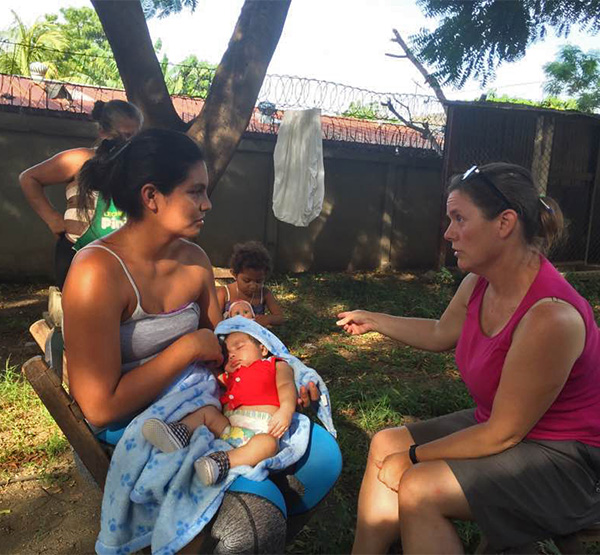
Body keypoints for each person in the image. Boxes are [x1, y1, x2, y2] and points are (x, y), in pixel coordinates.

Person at [62, 128, 341, 553]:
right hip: (146, 423)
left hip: (212, 402)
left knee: (323, 460)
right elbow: (99, 407)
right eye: (196, 191)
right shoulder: (97, 272)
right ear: (152, 196)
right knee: (253, 520)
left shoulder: (193, 260)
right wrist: (189, 347)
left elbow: (224, 346)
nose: (208, 204)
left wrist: (278, 381)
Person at [337, 162, 600, 554]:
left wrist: (412, 457)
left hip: (563, 458)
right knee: (383, 443)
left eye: (459, 218)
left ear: (505, 223)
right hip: (504, 426)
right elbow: (442, 332)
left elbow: (502, 434)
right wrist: (374, 319)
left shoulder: (550, 315)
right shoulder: (479, 282)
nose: (448, 233)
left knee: (419, 487)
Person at [142, 328, 297, 486]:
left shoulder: (273, 365)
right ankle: (178, 433)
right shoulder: (231, 376)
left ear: (262, 349)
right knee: (207, 412)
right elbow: (213, 374)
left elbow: (286, 385)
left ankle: (221, 462)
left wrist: (286, 409)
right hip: (229, 429)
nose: (232, 355)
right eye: (228, 353)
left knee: (268, 444)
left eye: (239, 347)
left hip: (261, 431)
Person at [19, 99, 143, 288]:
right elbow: (29, 178)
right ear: (103, 132)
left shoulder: (138, 167)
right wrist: (52, 218)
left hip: (124, 254)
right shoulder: (80, 159)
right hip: (77, 250)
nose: (129, 143)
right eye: (125, 135)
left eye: (135, 136)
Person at [217, 241, 285, 326]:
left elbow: (280, 318)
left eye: (258, 281)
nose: (253, 286)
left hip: (255, 336)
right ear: (234, 274)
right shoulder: (224, 293)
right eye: (246, 280)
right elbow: (215, 319)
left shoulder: (264, 294)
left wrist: (268, 319)